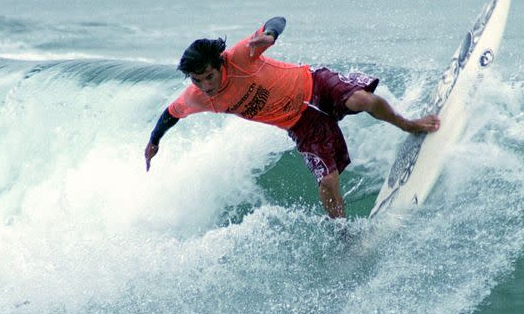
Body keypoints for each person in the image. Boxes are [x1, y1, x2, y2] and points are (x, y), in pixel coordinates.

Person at [144, 17, 440, 218]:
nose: (205, 85)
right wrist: (154, 141)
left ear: (219, 64)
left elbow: (278, 20)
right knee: (326, 182)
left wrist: (269, 35)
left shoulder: (240, 55)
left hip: (314, 84)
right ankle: (343, 234)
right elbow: (171, 114)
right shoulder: (198, 97)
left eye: (208, 76)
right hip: (299, 123)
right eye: (197, 80)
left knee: (363, 99)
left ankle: (409, 124)